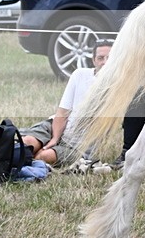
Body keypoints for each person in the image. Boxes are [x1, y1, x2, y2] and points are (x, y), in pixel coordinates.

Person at [20, 39, 113, 167]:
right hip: (55, 127)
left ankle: (24, 162)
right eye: (100, 58)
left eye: (109, 58)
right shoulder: (80, 75)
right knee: (27, 143)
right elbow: (63, 112)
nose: (105, 62)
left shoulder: (118, 88)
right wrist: (55, 138)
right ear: (93, 60)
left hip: (77, 148)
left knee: (43, 156)